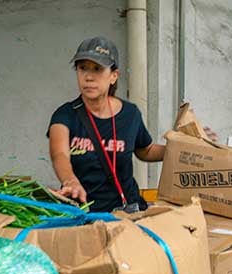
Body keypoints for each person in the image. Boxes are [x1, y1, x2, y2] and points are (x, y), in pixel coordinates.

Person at [47, 36, 162, 213]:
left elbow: (145, 150)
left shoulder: (130, 114)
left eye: (97, 69)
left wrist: (182, 150)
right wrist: (70, 180)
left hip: (127, 215)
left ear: (113, 76)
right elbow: (59, 154)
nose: (89, 77)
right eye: (82, 68)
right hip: (84, 216)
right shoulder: (65, 115)